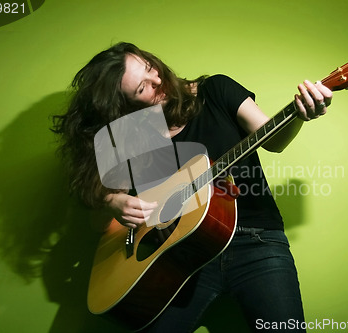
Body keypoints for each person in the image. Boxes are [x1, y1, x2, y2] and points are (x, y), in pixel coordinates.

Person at [52, 42, 332, 332]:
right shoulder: (128, 136)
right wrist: (113, 202)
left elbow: (274, 139)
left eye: (151, 68)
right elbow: (100, 223)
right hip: (177, 259)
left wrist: (300, 114)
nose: (158, 80)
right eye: (142, 88)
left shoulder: (216, 90)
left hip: (256, 241)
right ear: (124, 106)